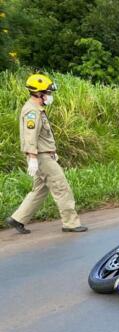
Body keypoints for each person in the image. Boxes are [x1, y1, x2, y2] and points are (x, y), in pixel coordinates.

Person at [5, 73, 87, 234]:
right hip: (41, 157)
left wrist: (51, 151)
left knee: (40, 189)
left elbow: (42, 136)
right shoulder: (32, 111)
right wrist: (33, 158)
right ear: (38, 93)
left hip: (44, 155)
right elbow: (30, 135)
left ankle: (17, 218)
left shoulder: (37, 109)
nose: (50, 96)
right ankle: (71, 223)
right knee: (61, 188)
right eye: (48, 93)